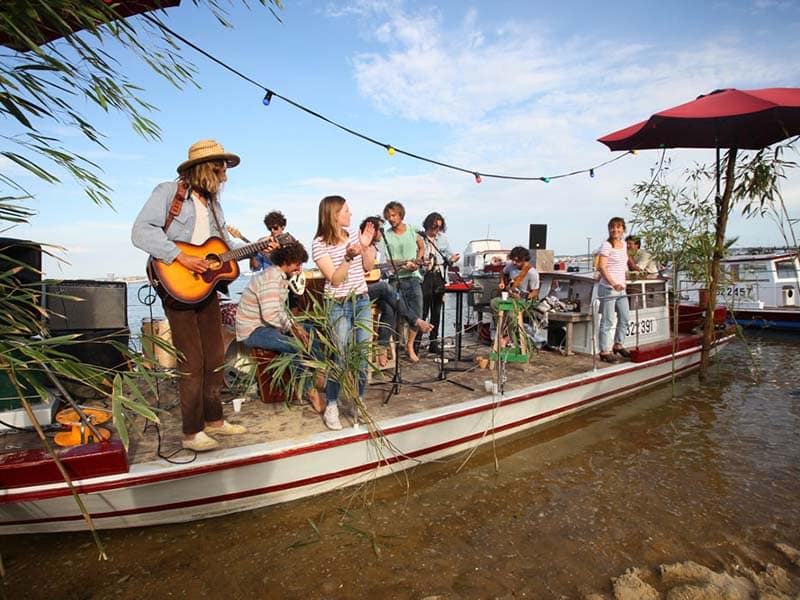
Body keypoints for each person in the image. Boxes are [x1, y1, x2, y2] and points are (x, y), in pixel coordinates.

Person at [132, 139, 247, 452]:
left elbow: (222, 250)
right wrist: (181, 258)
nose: (225, 176)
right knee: (192, 361)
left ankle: (215, 421)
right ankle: (191, 432)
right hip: (176, 283)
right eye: (221, 169)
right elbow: (141, 231)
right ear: (206, 169)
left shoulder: (213, 205)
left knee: (215, 356)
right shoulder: (168, 193)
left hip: (206, 286)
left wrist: (260, 248)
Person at [235, 242, 325, 414]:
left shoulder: (279, 277)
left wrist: (295, 325)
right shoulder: (271, 278)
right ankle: (310, 391)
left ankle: (317, 372)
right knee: (293, 345)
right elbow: (270, 315)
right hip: (253, 330)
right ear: (287, 261)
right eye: (297, 264)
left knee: (310, 330)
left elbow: (279, 310)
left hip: (266, 326)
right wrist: (292, 328)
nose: (299, 268)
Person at [311, 196, 377, 430]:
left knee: (361, 356)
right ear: (334, 214)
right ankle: (331, 405)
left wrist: (366, 246)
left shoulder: (353, 238)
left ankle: (358, 400)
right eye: (346, 210)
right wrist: (349, 257)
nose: (350, 214)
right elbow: (335, 279)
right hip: (337, 303)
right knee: (339, 357)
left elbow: (368, 267)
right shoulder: (319, 243)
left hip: (361, 300)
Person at [380, 201, 433, 363]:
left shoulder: (412, 230)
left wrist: (417, 261)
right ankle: (386, 348)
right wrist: (404, 262)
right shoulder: (386, 235)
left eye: (394, 215)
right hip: (395, 278)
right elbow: (386, 260)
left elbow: (422, 246)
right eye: (388, 216)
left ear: (401, 214)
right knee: (390, 311)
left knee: (417, 311)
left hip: (413, 277)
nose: (391, 218)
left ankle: (410, 346)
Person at [419, 212, 460, 354]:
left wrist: (453, 259)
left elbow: (449, 255)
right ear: (429, 224)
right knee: (422, 312)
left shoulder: (442, 239)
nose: (437, 230)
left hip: (439, 276)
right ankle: (417, 343)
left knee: (436, 312)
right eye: (435, 227)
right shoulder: (420, 238)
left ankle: (433, 343)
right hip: (424, 277)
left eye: (439, 227)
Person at [360, 216, 396, 368]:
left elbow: (377, 272)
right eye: (380, 229)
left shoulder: (379, 249)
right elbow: (366, 268)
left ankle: (382, 347)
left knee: (389, 307)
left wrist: (396, 268)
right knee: (385, 288)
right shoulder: (361, 244)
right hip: (359, 291)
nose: (382, 233)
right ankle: (412, 317)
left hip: (372, 289)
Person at [597, 217, 631, 363]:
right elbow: (602, 267)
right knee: (608, 320)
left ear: (623, 229)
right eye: (612, 227)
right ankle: (605, 351)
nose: (615, 230)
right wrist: (613, 283)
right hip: (609, 288)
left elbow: (623, 264)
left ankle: (618, 344)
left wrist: (624, 280)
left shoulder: (623, 245)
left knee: (625, 317)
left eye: (618, 227)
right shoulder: (606, 246)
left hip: (621, 288)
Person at [490, 246, 539, 345]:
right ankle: (501, 332)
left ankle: (509, 337)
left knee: (511, 314)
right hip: (509, 296)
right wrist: (502, 282)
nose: (514, 263)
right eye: (513, 260)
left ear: (524, 259)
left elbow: (535, 292)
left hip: (523, 300)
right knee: (494, 303)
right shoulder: (510, 266)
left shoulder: (532, 273)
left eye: (517, 261)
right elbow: (502, 273)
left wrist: (523, 296)